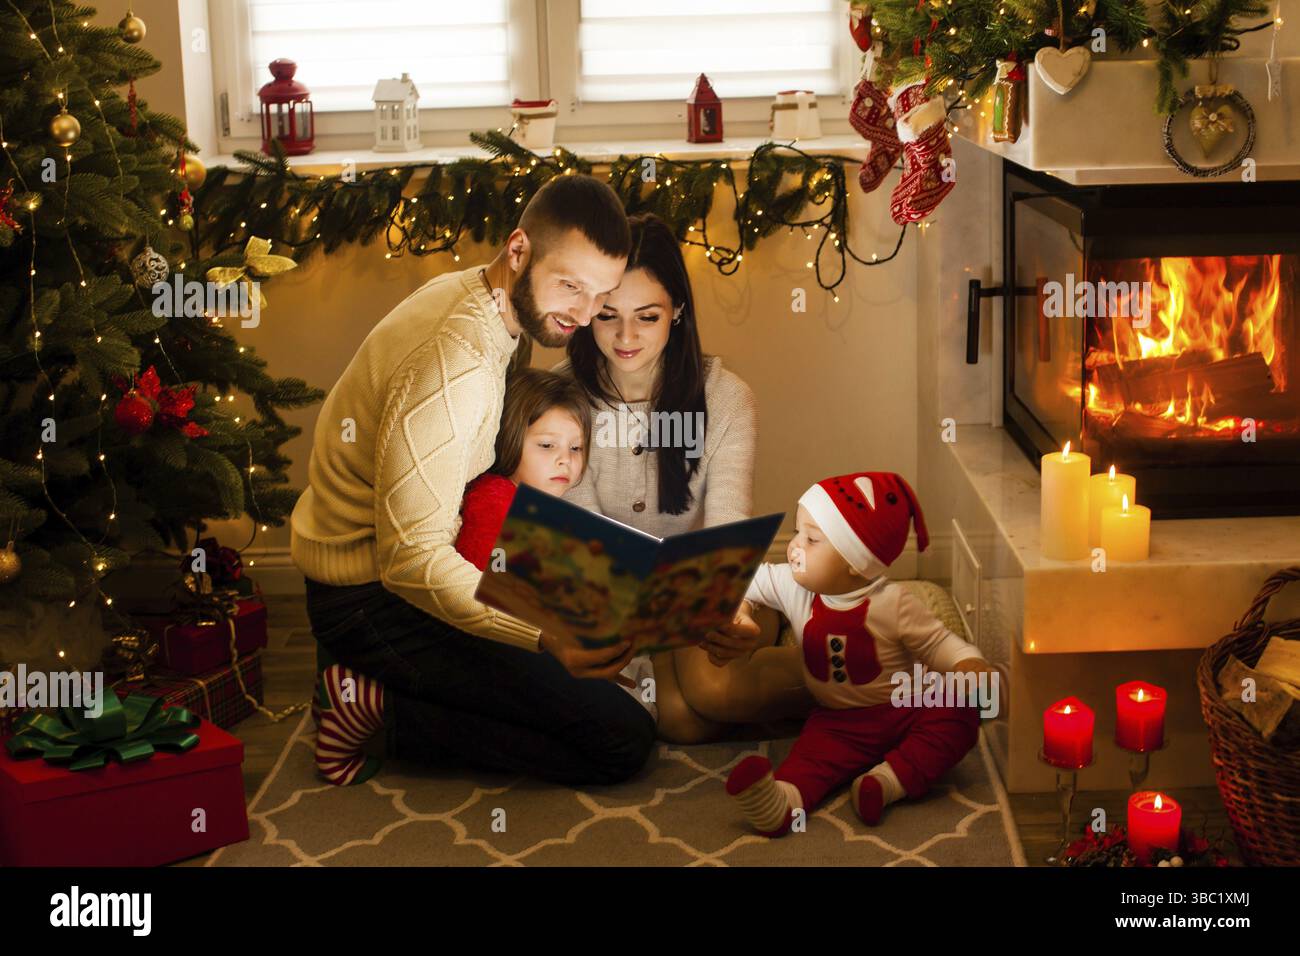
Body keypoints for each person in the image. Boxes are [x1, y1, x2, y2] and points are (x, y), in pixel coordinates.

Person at [291, 174, 657, 787]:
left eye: (601, 294)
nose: (584, 313)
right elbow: (410, 562)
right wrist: (542, 634)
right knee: (621, 738)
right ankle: (376, 706)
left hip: (427, 553)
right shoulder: (454, 363)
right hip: (367, 595)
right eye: (570, 286)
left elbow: (487, 481)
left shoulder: (490, 300)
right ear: (519, 252)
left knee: (605, 645)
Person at [553, 212, 812, 744]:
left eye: (647, 317)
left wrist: (735, 611)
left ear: (677, 313)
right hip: (623, 603)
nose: (626, 337)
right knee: (679, 721)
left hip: (711, 590)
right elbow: (583, 544)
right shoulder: (559, 399)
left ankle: (857, 676)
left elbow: (726, 526)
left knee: (714, 693)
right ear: (585, 315)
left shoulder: (726, 398)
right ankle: (798, 674)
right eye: (607, 316)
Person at [726, 472, 1002, 835]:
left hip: (906, 706)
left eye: (810, 539)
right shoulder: (795, 588)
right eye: (796, 533)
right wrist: (741, 608)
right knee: (810, 759)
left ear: (855, 563)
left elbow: (937, 643)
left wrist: (966, 662)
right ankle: (782, 802)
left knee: (960, 714)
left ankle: (888, 782)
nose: (793, 547)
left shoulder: (894, 603)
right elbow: (745, 579)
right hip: (839, 721)